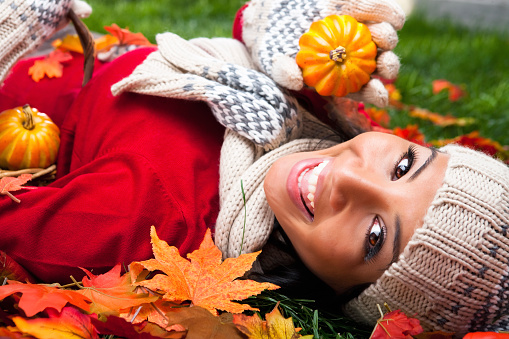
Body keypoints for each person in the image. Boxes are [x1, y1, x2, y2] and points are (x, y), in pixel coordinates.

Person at [0, 0, 508, 337]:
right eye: (402, 166)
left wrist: (8, 30)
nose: (350, 177)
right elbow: (251, 26)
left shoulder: (145, 215)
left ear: (346, 294)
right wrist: (285, 24)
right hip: (77, 46)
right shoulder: (313, 117)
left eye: (375, 237)